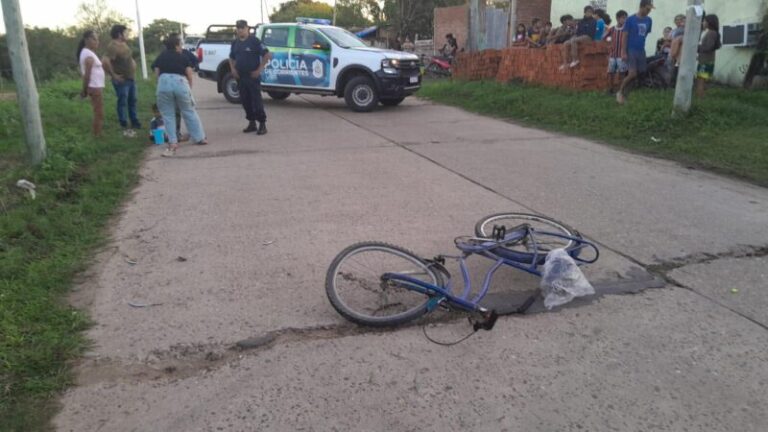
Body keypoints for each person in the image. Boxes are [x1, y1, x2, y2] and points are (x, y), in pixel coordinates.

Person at [152, 33, 208, 157]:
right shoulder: (182, 57)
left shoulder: (161, 56)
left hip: (164, 83)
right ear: (176, 45)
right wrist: (189, 87)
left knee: (168, 115)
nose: (181, 47)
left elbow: (157, 72)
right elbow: (189, 73)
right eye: (180, 44)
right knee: (189, 111)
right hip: (180, 82)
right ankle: (199, 138)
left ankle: (173, 142)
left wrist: (161, 84)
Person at [229, 19, 272, 135]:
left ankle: (262, 124)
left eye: (242, 28)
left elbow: (267, 55)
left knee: (256, 101)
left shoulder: (254, 41)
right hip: (240, 76)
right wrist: (233, 69)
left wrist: (259, 70)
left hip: (252, 76)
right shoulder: (235, 43)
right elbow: (231, 57)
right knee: (245, 101)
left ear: (247, 28)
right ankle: (252, 123)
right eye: (238, 28)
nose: (240, 30)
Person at [102, 24, 141, 137]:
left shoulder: (124, 44)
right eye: (125, 32)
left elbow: (129, 58)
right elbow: (105, 61)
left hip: (131, 77)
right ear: (119, 34)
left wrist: (133, 65)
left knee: (132, 100)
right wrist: (113, 75)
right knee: (123, 101)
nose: (127, 34)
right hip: (122, 80)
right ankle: (123, 122)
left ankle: (134, 121)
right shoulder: (113, 46)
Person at [617, 0, 655, 104]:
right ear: (641, 7)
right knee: (632, 73)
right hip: (631, 49)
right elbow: (625, 36)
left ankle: (625, 95)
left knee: (640, 73)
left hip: (641, 50)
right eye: (647, 9)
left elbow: (645, 34)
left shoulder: (649, 20)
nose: (648, 12)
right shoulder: (630, 20)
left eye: (650, 10)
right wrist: (623, 52)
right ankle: (620, 92)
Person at [77, 30, 105, 137]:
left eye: (97, 39)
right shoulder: (88, 55)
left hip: (96, 86)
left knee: (99, 111)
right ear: (86, 40)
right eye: (94, 39)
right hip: (94, 87)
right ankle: (97, 135)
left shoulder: (89, 53)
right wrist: (84, 90)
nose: (97, 41)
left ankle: (98, 133)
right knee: (99, 112)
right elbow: (87, 75)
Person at [560, 5, 597, 70]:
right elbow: (578, 31)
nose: (589, 13)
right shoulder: (581, 21)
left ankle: (575, 59)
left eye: (591, 12)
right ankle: (565, 63)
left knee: (574, 40)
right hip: (580, 36)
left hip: (588, 37)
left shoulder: (593, 21)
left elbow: (590, 31)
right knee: (566, 43)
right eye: (588, 11)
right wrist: (575, 36)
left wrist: (580, 34)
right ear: (585, 12)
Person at [697, 14, 721, 98]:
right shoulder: (710, 32)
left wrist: (696, 47)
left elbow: (708, 47)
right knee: (702, 79)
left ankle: (701, 97)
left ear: (709, 22)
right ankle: (702, 95)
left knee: (701, 79)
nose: (703, 23)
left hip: (705, 61)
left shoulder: (711, 33)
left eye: (704, 21)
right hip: (706, 59)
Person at [604, 10, 629, 94]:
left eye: (626, 18)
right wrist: (608, 45)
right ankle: (610, 89)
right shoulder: (612, 29)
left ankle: (620, 89)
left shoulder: (626, 29)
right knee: (611, 72)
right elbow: (604, 37)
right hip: (612, 55)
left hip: (621, 55)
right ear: (617, 18)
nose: (625, 20)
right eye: (623, 18)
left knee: (622, 73)